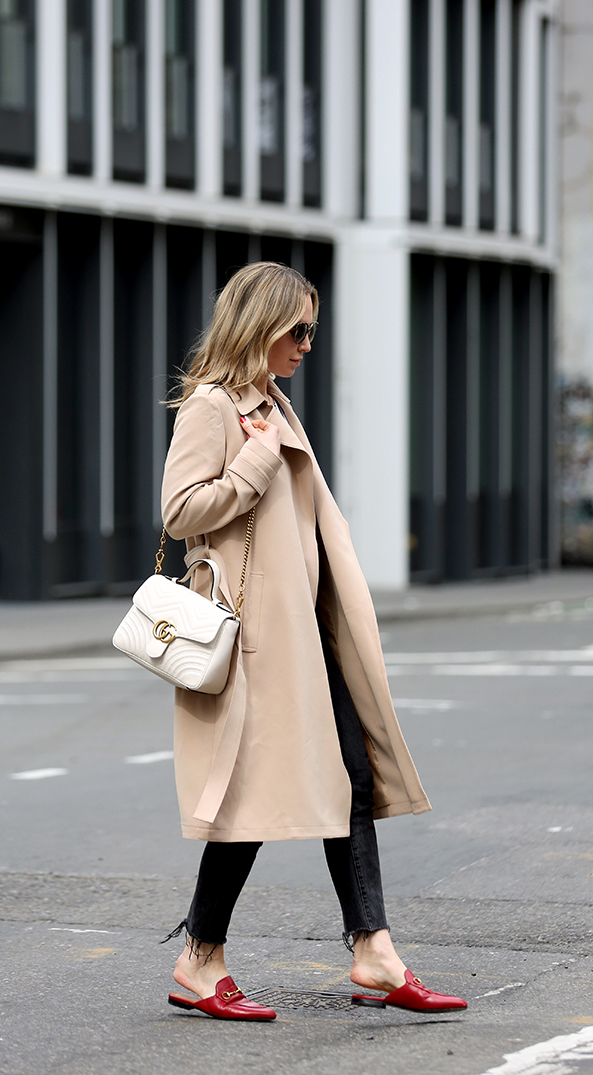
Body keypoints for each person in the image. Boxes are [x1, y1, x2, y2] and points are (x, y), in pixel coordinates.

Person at [160, 262, 466, 1021]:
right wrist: (257, 459)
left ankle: (374, 948)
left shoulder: (273, 404)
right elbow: (179, 509)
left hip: (306, 631)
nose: (306, 343)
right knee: (253, 799)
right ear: (256, 325)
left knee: (349, 776)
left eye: (312, 330)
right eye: (296, 328)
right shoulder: (213, 407)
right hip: (257, 644)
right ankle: (202, 956)